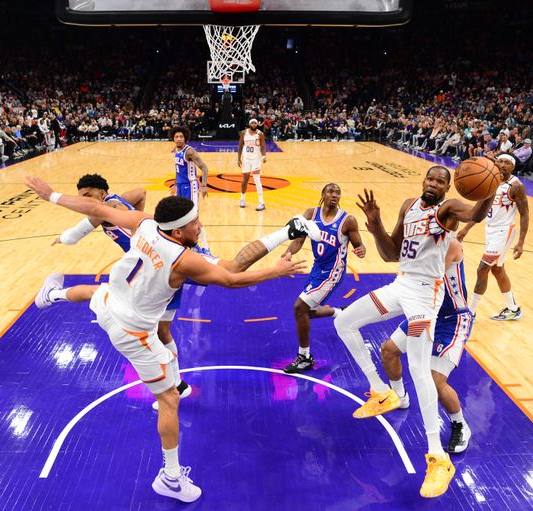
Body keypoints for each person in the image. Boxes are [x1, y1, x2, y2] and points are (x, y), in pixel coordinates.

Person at [24, 175, 307, 503]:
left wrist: (51, 194)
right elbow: (231, 280)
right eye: (194, 225)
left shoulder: (143, 223)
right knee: (169, 399)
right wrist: (274, 271)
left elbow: (94, 207)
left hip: (112, 301)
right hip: (132, 332)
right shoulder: (184, 260)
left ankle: (52, 294)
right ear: (177, 232)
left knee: (92, 292)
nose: (199, 228)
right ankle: (171, 478)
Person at [46, 173, 320, 407]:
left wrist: (56, 211)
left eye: (88, 194)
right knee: (162, 330)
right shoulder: (122, 203)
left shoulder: (110, 206)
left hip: (168, 259)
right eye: (82, 195)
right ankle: (178, 386)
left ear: (102, 193)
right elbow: (140, 193)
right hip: (158, 275)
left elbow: (80, 228)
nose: (86, 199)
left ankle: (288, 231)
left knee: (232, 270)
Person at [334, 166, 495, 498]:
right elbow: (391, 253)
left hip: (425, 297)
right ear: (423, 181)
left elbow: (476, 212)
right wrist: (376, 224)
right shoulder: (409, 206)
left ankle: (438, 457)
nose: (434, 184)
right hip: (400, 286)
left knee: (421, 371)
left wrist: (489, 183)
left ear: (448, 187)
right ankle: (383, 390)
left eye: (441, 181)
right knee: (344, 322)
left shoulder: (448, 210)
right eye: (430, 179)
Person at [380, 238, 474, 454]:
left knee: (434, 381)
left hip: (452, 319)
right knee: (388, 350)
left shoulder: (450, 245)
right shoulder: (421, 242)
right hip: (426, 313)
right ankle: (400, 397)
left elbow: (429, 279)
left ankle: (460, 424)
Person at [280, 183, 366, 373]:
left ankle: (304, 357)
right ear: (323, 194)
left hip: (333, 273)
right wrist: (288, 253)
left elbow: (359, 245)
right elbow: (299, 240)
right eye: (331, 192)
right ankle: (338, 312)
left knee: (299, 307)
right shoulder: (311, 214)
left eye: (338, 192)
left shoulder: (348, 221)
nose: (334, 195)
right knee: (306, 313)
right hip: (317, 269)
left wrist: (361, 250)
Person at [459, 154, 530, 320]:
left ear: (513, 166)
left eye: (507, 163)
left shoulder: (515, 186)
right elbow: (481, 209)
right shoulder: (490, 181)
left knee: (482, 268)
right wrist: (466, 228)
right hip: (490, 230)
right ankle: (513, 309)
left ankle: (471, 312)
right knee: (497, 269)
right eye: (500, 161)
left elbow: (525, 214)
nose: (503, 165)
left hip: (504, 232)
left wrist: (520, 242)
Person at [169, 126, 210, 247]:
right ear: (173, 138)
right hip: (181, 187)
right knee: (183, 217)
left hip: (190, 187)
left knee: (194, 218)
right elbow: (178, 170)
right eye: (176, 137)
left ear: (185, 138)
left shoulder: (189, 151)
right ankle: (190, 244)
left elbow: (204, 167)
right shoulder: (176, 150)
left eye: (181, 136)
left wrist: (204, 186)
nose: (179, 139)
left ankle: (206, 247)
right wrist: (175, 185)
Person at [237, 118, 267, 211]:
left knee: (257, 180)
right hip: (246, 159)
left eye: (255, 123)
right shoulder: (243, 133)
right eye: (252, 123)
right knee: (245, 180)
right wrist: (238, 158)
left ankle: (261, 203)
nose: (254, 124)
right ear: (249, 124)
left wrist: (263, 156)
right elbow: (240, 146)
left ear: (257, 124)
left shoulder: (260, 134)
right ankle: (242, 199)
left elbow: (263, 146)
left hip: (256, 160)